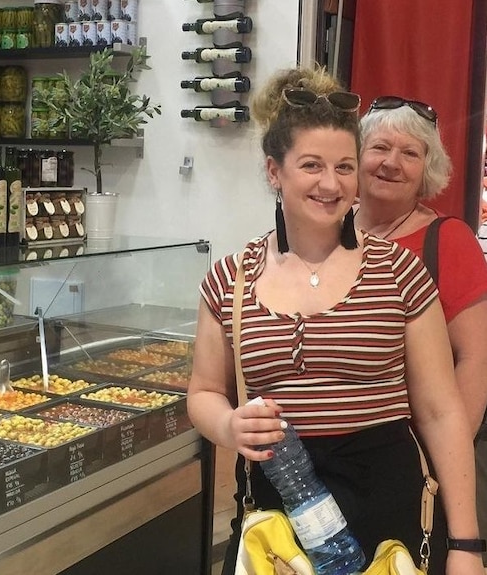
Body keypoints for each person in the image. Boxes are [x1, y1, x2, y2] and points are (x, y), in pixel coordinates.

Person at [187, 67, 483, 575]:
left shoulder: (400, 271)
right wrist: (229, 425)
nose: (331, 183)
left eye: (345, 166)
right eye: (311, 165)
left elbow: (440, 411)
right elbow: (204, 391)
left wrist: (466, 545)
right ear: (274, 171)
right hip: (277, 512)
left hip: (388, 514)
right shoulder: (229, 280)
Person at [354, 96, 487, 566]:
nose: (391, 162)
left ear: (427, 168)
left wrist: (436, 463)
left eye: (410, 153)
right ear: (356, 154)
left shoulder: (448, 241)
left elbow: (474, 359)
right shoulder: (324, 233)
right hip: (334, 468)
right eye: (380, 147)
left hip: (416, 472)